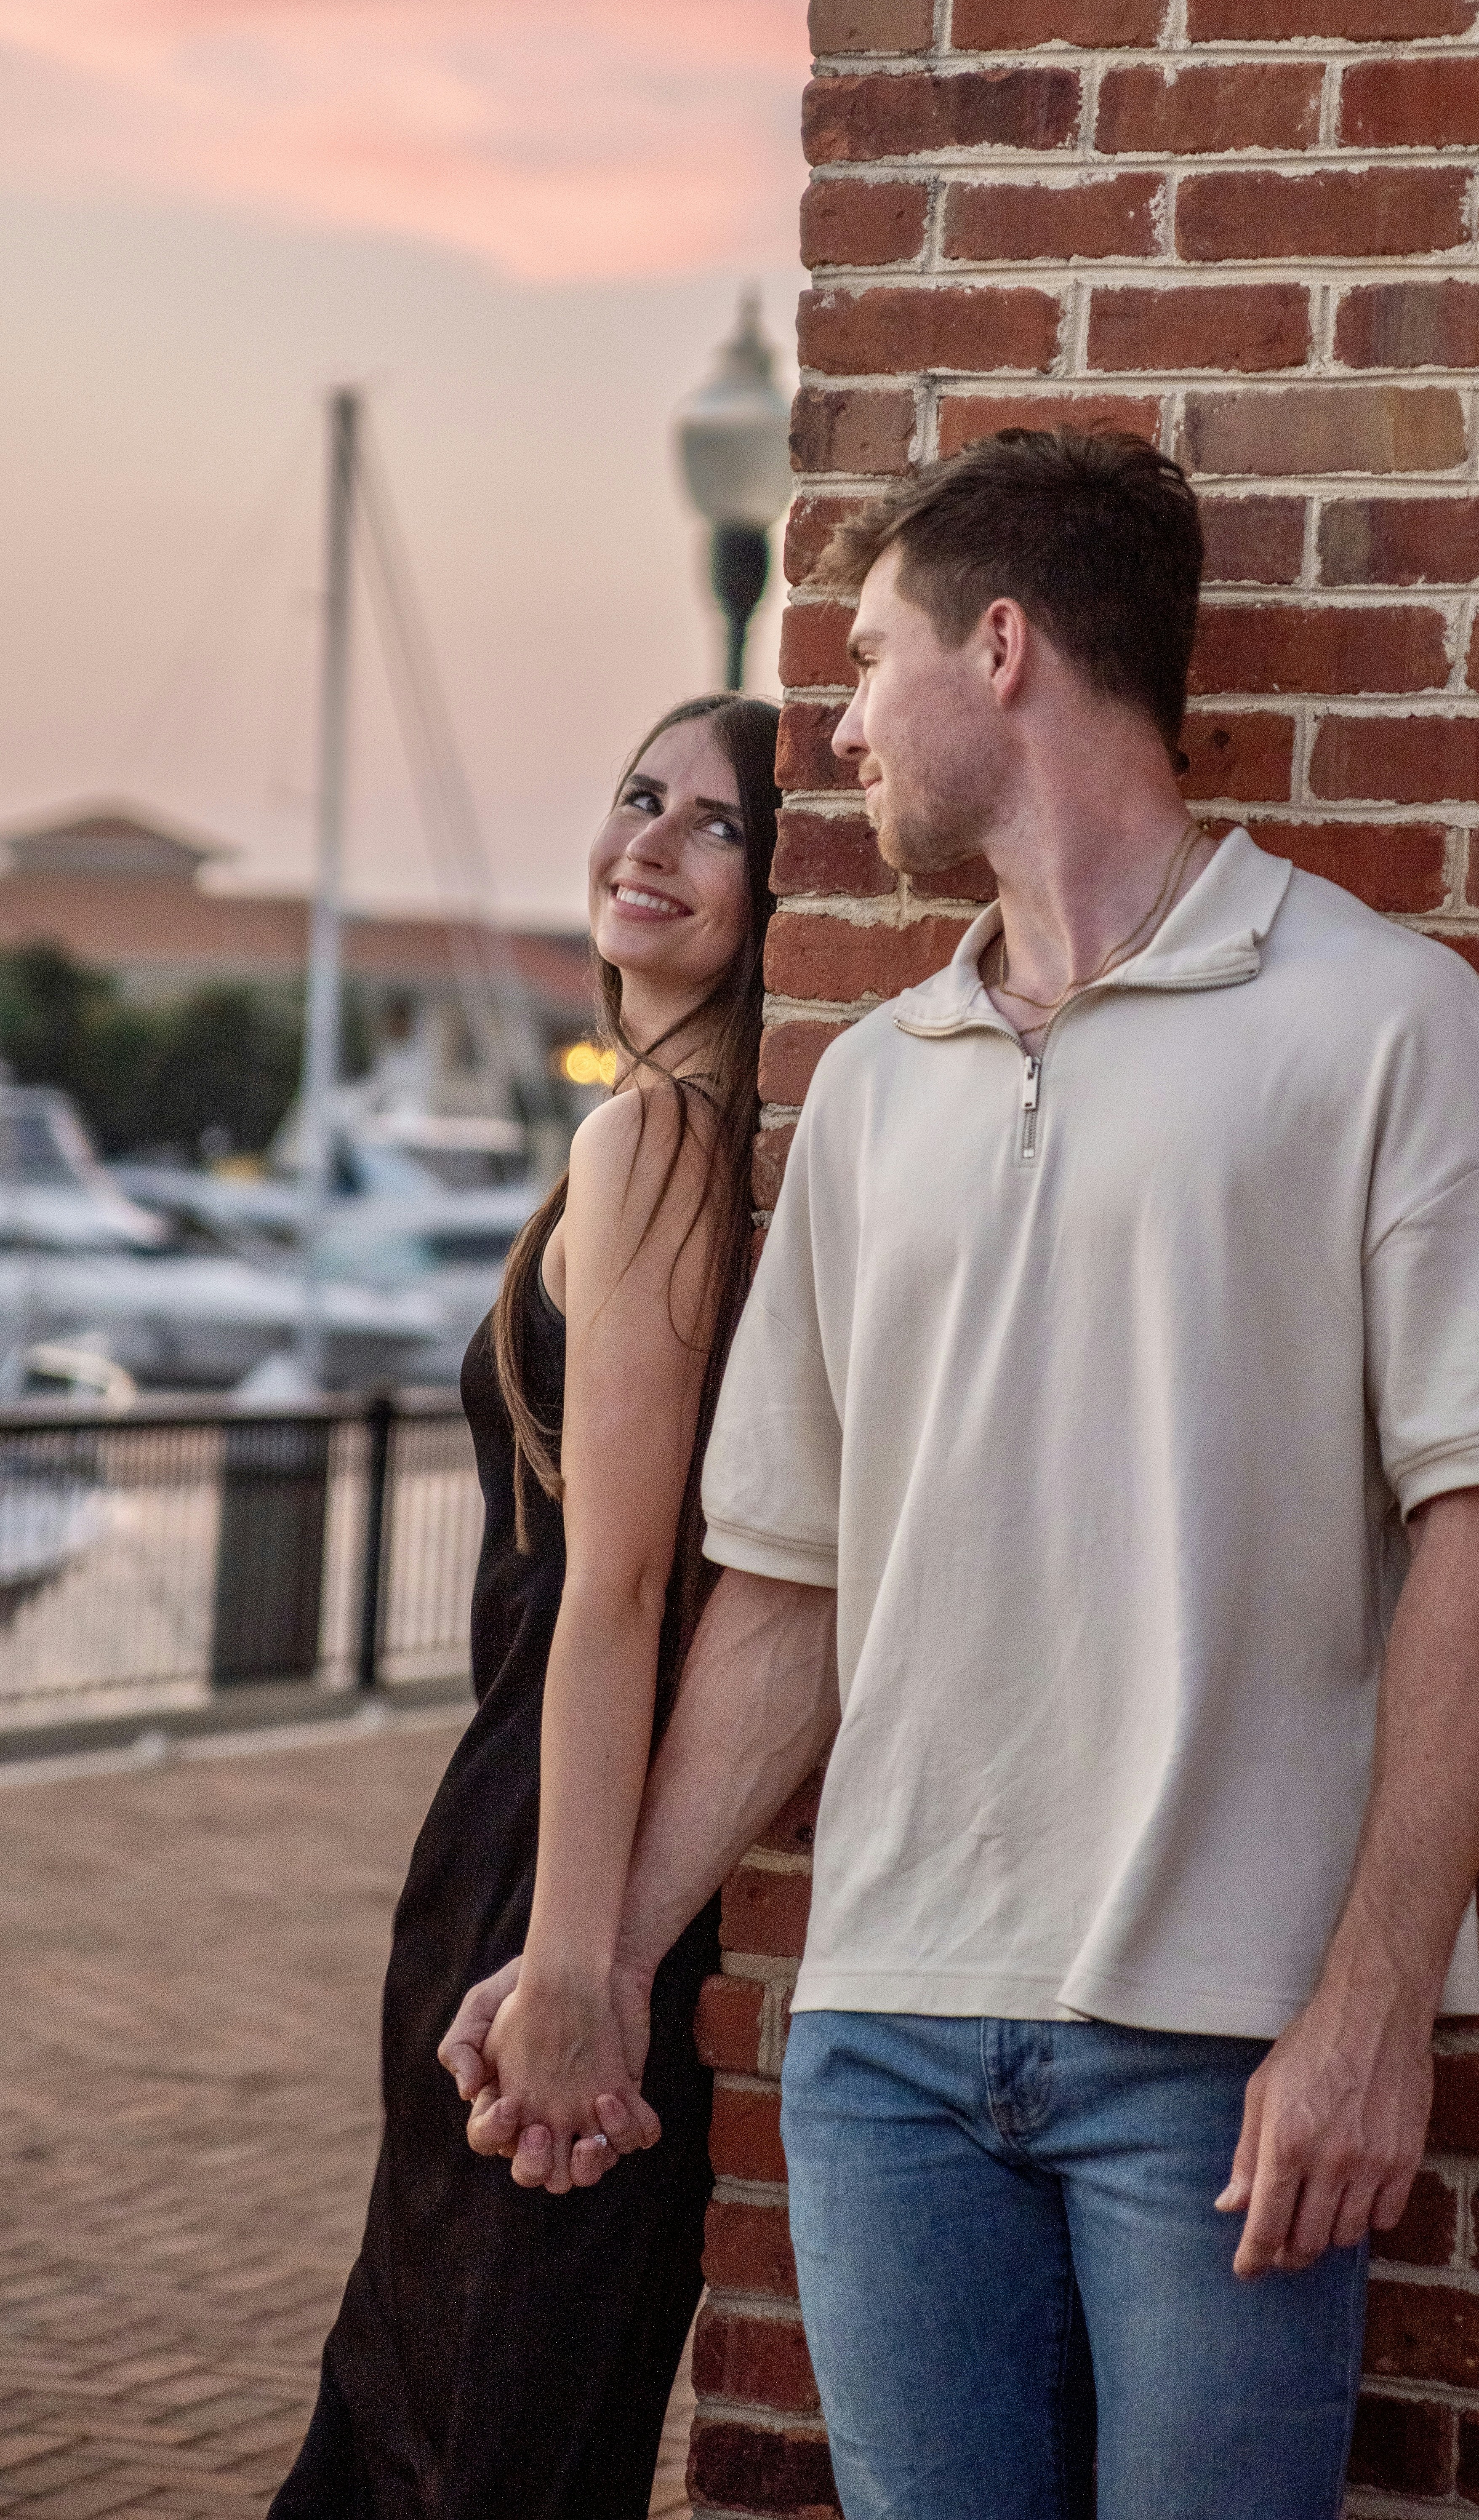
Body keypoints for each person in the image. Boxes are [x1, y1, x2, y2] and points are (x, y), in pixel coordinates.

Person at [462, 430, 1479, 2520]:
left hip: (1223, 2053)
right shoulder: (878, 1086)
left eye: (868, 657)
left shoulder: (1373, 1021)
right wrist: (604, 1959)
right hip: (884, 2040)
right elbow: (792, 1593)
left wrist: (1370, 2008)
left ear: (998, 650)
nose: (840, 725)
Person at [271, 692, 781, 2520]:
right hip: (550, 1827)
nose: (647, 842)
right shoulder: (677, 1127)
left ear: (781, 879)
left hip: (553, 1849)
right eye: (639, 796)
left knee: (473, 2427)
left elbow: (623, 1581)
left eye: (714, 824)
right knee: (452, 2398)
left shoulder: (667, 1143)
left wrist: (574, 1963)